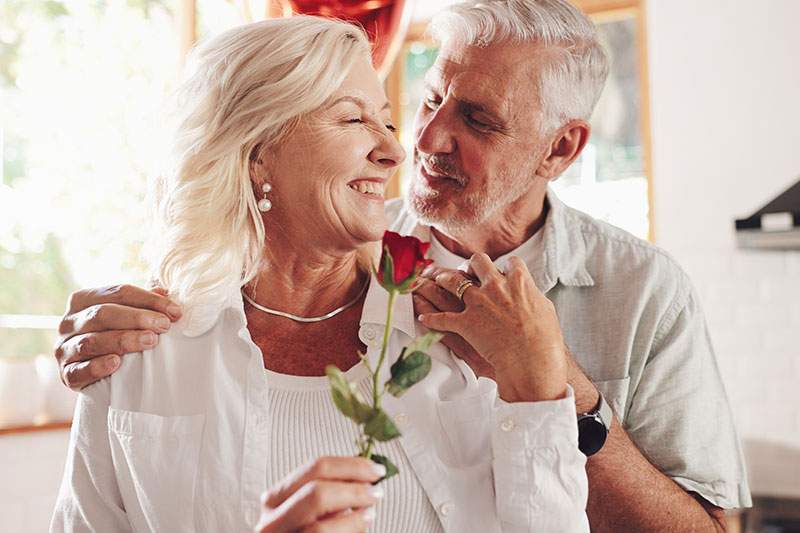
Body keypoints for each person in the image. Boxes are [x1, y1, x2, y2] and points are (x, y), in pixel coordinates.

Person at [54, 1, 752, 531]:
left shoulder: (642, 294)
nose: (419, 141)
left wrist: (558, 387)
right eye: (424, 101)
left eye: (479, 120)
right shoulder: (338, 251)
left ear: (560, 150)